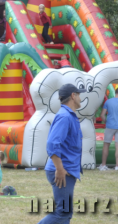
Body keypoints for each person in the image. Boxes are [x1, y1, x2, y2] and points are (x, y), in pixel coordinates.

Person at [38, 84, 84, 224]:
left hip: (66, 170)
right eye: (79, 94)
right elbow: (52, 144)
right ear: (73, 96)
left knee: (65, 214)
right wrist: (59, 169)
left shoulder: (69, 116)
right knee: (62, 213)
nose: (80, 98)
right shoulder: (65, 117)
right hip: (62, 171)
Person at [98, 87, 118, 171]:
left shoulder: (108, 101)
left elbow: (102, 115)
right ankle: (117, 166)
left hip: (110, 126)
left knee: (106, 145)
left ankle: (103, 165)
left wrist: (106, 122)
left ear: (115, 93)